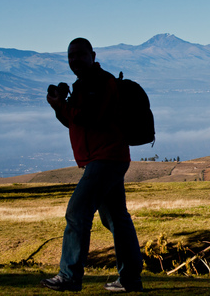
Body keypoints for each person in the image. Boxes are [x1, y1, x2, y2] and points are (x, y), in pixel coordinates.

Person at [41, 38, 144, 292]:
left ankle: (70, 276)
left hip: (106, 158)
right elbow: (75, 123)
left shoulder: (101, 83)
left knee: (78, 211)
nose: (74, 59)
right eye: (70, 55)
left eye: (79, 54)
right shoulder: (82, 85)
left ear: (92, 55)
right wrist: (59, 107)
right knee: (116, 219)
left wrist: (63, 105)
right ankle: (131, 279)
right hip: (107, 158)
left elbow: (91, 118)